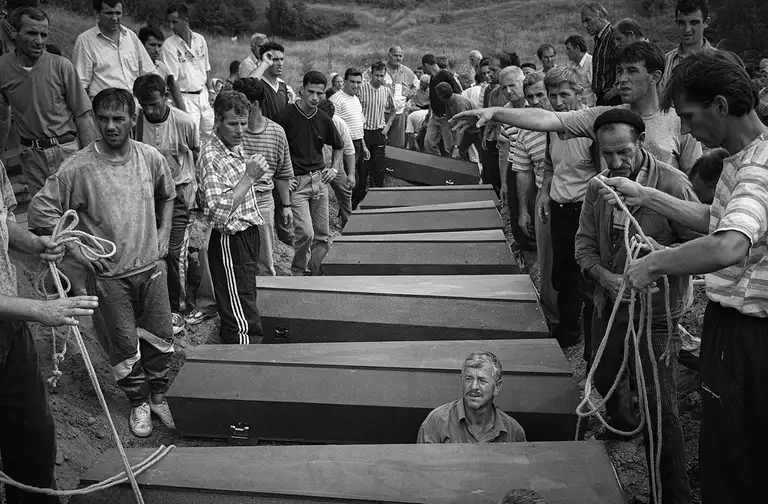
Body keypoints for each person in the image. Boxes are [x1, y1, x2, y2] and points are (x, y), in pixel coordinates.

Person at [601, 51, 768, 503]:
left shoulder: (757, 169)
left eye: (691, 117)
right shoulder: (744, 158)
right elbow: (716, 219)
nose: (689, 129)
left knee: (735, 456)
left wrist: (654, 263)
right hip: (740, 331)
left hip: (749, 336)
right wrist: (647, 195)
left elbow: (729, 244)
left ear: (719, 105)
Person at [29, 88, 177, 438]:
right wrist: (77, 251)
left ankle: (158, 396)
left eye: (118, 119)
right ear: (94, 119)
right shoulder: (78, 167)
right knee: (123, 344)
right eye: (104, 119)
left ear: (133, 120)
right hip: (109, 275)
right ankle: (138, 402)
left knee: (161, 335)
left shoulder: (149, 157)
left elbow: (168, 193)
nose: (110, 126)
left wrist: (165, 229)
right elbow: (39, 212)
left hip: (150, 267)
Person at [576, 109, 697, 502]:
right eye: (606, 154)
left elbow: (704, 247)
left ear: (642, 143)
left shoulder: (673, 185)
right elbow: (584, 247)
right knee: (606, 374)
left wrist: (656, 259)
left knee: (661, 409)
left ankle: (672, 495)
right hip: (609, 306)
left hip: (656, 315)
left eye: (623, 152)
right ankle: (621, 425)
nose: (615, 163)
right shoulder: (598, 187)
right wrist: (606, 278)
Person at [0, 165, 99, 504]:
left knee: (34, 439)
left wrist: (34, 242)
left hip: (8, 328)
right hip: (15, 313)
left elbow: (2, 222)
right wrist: (40, 310)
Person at [453, 42, 702, 176]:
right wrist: (494, 113)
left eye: (632, 71)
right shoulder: (605, 117)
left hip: (661, 239)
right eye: (620, 71)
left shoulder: (681, 123)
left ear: (655, 76)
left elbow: (692, 182)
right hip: (614, 231)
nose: (622, 79)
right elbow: (547, 119)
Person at [0, 6, 98, 199]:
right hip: (31, 155)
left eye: (43, 35)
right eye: (31, 33)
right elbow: (3, 115)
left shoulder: (62, 66)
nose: (39, 41)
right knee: (42, 216)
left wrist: (93, 160)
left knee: (77, 208)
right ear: (13, 32)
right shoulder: (3, 68)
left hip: (66, 151)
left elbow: (83, 115)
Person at [197, 90, 269, 344]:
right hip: (230, 240)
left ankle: (246, 366)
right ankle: (243, 369)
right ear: (217, 121)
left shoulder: (233, 148)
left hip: (246, 236)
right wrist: (249, 176)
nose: (240, 130)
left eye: (243, 122)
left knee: (245, 299)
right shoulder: (211, 155)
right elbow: (218, 212)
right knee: (241, 317)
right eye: (232, 123)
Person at [133, 74, 199, 336]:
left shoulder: (183, 121)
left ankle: (179, 306)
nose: (149, 110)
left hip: (180, 193)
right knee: (148, 249)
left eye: (154, 104)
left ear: (166, 98)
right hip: (149, 194)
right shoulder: (136, 123)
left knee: (173, 251)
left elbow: (196, 152)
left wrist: (198, 190)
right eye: (144, 105)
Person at [277, 71, 343, 276]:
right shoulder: (286, 115)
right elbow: (275, 147)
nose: (315, 98)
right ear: (301, 90)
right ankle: (298, 271)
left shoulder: (323, 118)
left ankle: (315, 275)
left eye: (320, 94)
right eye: (311, 92)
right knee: (305, 232)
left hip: (319, 181)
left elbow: (338, 145)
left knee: (322, 234)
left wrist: (333, 168)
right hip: (297, 183)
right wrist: (282, 178)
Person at [511, 71, 559, 327]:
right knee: (547, 261)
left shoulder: (573, 122)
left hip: (578, 199)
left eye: (541, 94)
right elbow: (522, 173)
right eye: (530, 97)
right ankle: (552, 317)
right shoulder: (525, 132)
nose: (537, 100)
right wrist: (523, 211)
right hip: (545, 200)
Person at [235, 78, 295, 274]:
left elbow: (282, 174)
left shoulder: (277, 133)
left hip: (262, 200)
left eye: (240, 103)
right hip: (235, 197)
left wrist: (286, 206)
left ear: (254, 105)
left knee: (264, 259)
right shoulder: (232, 132)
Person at [417, 352, 526, 443]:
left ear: (497, 387)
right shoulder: (436, 422)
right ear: (461, 380)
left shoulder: (514, 432)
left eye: (482, 380)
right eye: (468, 379)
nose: (474, 387)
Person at [72, 0, 155, 100]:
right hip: (105, 108)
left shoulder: (130, 36)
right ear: (97, 13)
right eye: (109, 13)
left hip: (134, 105)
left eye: (118, 13)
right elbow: (81, 84)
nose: (114, 18)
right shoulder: (85, 41)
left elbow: (148, 72)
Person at [160, 3, 216, 140]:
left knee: (212, 135)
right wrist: (182, 110)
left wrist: (211, 91)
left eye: (175, 22)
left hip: (203, 95)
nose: (171, 26)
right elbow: (172, 81)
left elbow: (206, 67)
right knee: (190, 138)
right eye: (169, 22)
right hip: (185, 97)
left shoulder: (200, 39)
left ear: (186, 21)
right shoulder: (169, 46)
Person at [355, 61, 395, 207]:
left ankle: (377, 202)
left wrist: (387, 127)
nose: (379, 78)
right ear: (371, 74)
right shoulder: (362, 89)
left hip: (379, 132)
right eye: (377, 75)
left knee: (378, 170)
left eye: (382, 76)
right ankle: (357, 201)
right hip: (364, 132)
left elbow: (393, 110)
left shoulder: (386, 91)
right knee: (362, 170)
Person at [330, 68, 368, 202]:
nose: (356, 85)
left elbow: (359, 125)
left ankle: (353, 212)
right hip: (346, 146)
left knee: (359, 181)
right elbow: (334, 128)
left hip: (358, 144)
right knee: (349, 182)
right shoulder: (336, 99)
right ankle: (344, 216)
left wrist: (363, 146)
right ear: (345, 81)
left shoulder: (356, 99)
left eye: (359, 82)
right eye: (352, 82)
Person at [659, 0, 714, 91]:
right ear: (676, 23)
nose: (687, 29)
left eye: (694, 22)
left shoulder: (720, 62)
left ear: (706, 22)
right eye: (682, 23)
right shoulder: (663, 63)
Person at [318, 99, 356, 228]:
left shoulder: (339, 124)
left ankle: (347, 222)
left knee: (345, 190)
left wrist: (351, 174)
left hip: (334, 163)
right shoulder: (309, 122)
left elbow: (349, 150)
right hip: (315, 165)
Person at [138, 25, 185, 112]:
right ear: (141, 44)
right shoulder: (135, 68)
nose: (156, 49)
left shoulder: (162, 67)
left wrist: (184, 112)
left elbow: (173, 85)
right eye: (152, 45)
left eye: (159, 46)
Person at [581, 2, 620, 106]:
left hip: (612, 99)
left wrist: (617, 87)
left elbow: (624, 63)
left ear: (601, 16)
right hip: (602, 98)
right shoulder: (599, 38)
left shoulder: (613, 35)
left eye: (588, 20)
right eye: (583, 22)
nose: (585, 25)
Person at [422, 53, 462, 156]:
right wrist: (429, 113)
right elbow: (432, 97)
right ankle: (436, 162)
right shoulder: (432, 78)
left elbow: (458, 92)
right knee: (428, 143)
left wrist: (451, 110)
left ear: (426, 65)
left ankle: (450, 167)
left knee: (449, 147)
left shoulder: (445, 75)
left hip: (446, 117)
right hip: (435, 116)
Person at [383, 46, 417, 148]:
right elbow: (364, 82)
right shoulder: (379, 69)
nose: (398, 58)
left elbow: (416, 87)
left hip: (399, 114)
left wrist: (407, 97)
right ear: (389, 55)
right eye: (396, 55)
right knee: (379, 142)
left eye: (400, 56)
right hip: (380, 112)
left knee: (397, 145)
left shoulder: (408, 72)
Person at [435, 82, 479, 161]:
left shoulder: (459, 103)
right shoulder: (448, 101)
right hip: (467, 129)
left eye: (438, 95)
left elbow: (460, 127)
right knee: (461, 152)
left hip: (477, 130)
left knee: (477, 154)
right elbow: (449, 119)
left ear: (441, 96)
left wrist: (456, 147)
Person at [564, 34, 597, 107]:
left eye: (568, 48)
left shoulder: (591, 63)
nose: (566, 52)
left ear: (577, 48)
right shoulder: (570, 65)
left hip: (589, 109)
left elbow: (596, 91)